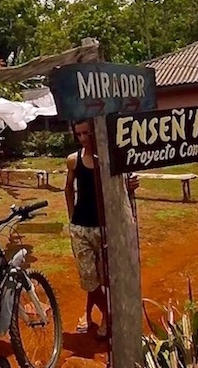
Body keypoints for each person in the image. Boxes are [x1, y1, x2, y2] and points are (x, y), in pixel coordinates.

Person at [64, 119, 139, 339]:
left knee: (106, 277)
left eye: (88, 133)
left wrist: (131, 185)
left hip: (106, 227)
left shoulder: (110, 160)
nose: (84, 138)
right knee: (89, 277)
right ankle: (107, 314)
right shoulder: (74, 160)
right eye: (79, 134)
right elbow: (68, 188)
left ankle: (99, 317)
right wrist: (71, 218)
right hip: (81, 228)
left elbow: (124, 185)